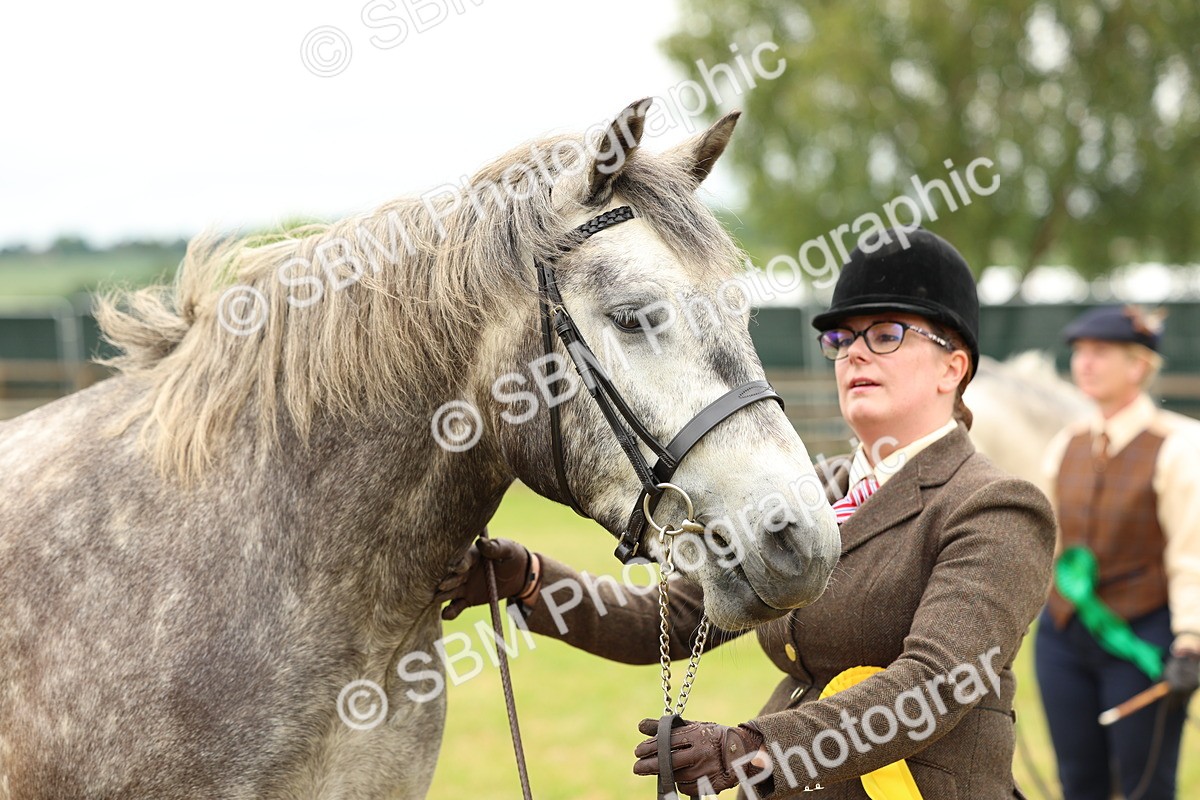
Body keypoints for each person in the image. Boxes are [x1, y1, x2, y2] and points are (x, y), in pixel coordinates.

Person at [438, 227, 1056, 799]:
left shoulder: (996, 507)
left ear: (956, 365)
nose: (855, 355)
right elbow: (676, 616)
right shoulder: (806, 500)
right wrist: (530, 579)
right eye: (841, 339)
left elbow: (938, 682)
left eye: (886, 334)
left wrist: (752, 748)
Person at [1036, 305, 1200, 800]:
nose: (1084, 363)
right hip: (1063, 638)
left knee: (1145, 786)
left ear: (1138, 366)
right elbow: (1049, 544)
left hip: (1142, 636)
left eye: (1100, 352)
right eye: (1081, 352)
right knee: (1078, 782)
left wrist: (1190, 640)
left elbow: (1191, 553)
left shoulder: (1179, 445)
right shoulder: (1066, 443)